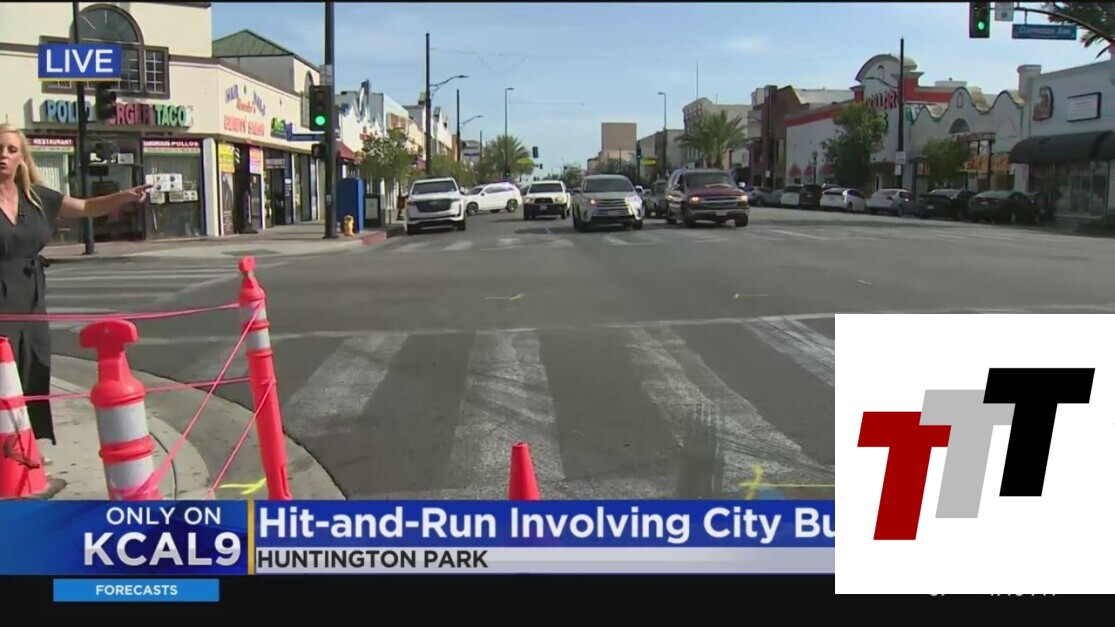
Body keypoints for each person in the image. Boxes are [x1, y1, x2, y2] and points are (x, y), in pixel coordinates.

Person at [0, 124, 151, 462]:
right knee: (2, 374)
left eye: (11, 150)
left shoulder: (36, 197)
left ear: (22, 158)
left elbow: (84, 207)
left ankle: (26, 445)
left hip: (31, 297)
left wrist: (123, 197)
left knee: (33, 368)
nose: (4, 156)